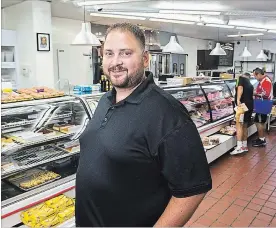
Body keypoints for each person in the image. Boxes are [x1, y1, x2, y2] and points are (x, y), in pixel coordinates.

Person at [75, 23, 212, 227]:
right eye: (109, 54)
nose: (115, 62)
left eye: (126, 53)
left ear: (145, 59)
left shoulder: (167, 112)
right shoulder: (105, 100)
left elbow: (193, 189)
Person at [230, 72, 254, 155]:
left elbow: (240, 88)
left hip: (242, 106)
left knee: (239, 125)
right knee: (245, 125)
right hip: (249, 106)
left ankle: (239, 147)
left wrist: (237, 100)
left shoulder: (240, 79)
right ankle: (244, 146)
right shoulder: (250, 84)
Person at [252, 67, 273, 147]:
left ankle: (262, 140)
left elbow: (266, 94)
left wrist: (255, 93)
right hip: (261, 103)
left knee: (260, 122)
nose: (255, 78)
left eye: (255, 76)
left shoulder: (266, 81)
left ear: (259, 74)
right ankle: (261, 138)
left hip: (264, 104)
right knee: (257, 121)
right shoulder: (263, 81)